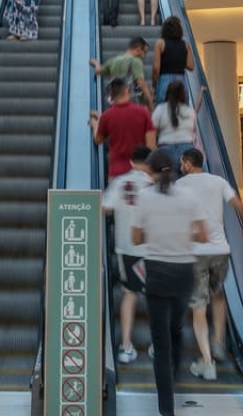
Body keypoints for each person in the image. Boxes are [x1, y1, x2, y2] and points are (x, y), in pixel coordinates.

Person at [132, 148, 209, 416]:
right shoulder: (188, 197)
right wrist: (181, 232)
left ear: (151, 171)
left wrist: (156, 231)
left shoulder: (143, 197)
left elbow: (136, 238)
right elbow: (202, 236)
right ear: (174, 170)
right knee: (176, 329)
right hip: (183, 273)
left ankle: (167, 408)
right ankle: (175, 374)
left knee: (160, 340)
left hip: (157, 273)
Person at [178, 148, 243, 379]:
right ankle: (219, 341)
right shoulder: (218, 181)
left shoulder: (180, 186)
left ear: (188, 164)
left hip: (196, 252)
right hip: (221, 250)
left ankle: (207, 362)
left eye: (182, 163)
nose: (181, 167)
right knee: (218, 296)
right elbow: (240, 205)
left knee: (198, 306)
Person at [101, 147, 155, 365]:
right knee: (155, 297)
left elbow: (105, 208)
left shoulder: (120, 182)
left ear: (131, 162)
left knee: (129, 294)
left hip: (126, 248)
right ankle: (158, 345)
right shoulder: (154, 185)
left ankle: (126, 346)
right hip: (153, 249)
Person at [90, 78, 157, 179]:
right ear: (127, 90)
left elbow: (98, 139)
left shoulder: (106, 116)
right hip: (140, 172)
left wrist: (95, 124)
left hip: (117, 173)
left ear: (111, 95)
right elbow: (151, 146)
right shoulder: (143, 112)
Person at [151, 81, 199, 178]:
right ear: (183, 95)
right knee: (186, 184)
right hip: (187, 150)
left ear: (168, 93)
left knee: (168, 186)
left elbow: (152, 134)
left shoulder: (160, 109)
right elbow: (193, 131)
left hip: (165, 149)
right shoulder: (190, 111)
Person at [90, 36, 153, 105]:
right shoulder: (136, 61)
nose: (145, 56)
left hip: (114, 103)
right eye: (145, 52)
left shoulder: (114, 61)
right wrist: (151, 105)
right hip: (128, 102)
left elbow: (98, 71)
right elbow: (142, 85)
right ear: (138, 49)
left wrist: (95, 63)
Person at [152, 17, 195, 109]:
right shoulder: (185, 44)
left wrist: (154, 85)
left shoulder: (160, 43)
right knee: (182, 110)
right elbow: (191, 66)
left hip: (165, 80)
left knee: (163, 111)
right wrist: (178, 59)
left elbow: (156, 68)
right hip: (181, 80)